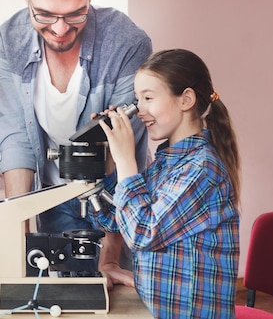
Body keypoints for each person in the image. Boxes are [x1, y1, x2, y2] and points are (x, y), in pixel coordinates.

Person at [0, 0, 152, 286]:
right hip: (50, 196)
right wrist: (14, 252)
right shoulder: (9, 40)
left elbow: (125, 149)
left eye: (74, 14)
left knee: (119, 298)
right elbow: (16, 137)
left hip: (115, 198)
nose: (61, 29)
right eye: (45, 15)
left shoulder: (127, 42)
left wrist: (109, 258)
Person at [96, 49, 241, 317]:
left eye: (148, 98)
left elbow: (141, 233)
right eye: (137, 100)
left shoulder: (201, 168)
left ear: (186, 99)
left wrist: (128, 162)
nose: (138, 110)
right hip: (155, 308)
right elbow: (116, 220)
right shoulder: (167, 162)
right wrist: (110, 162)